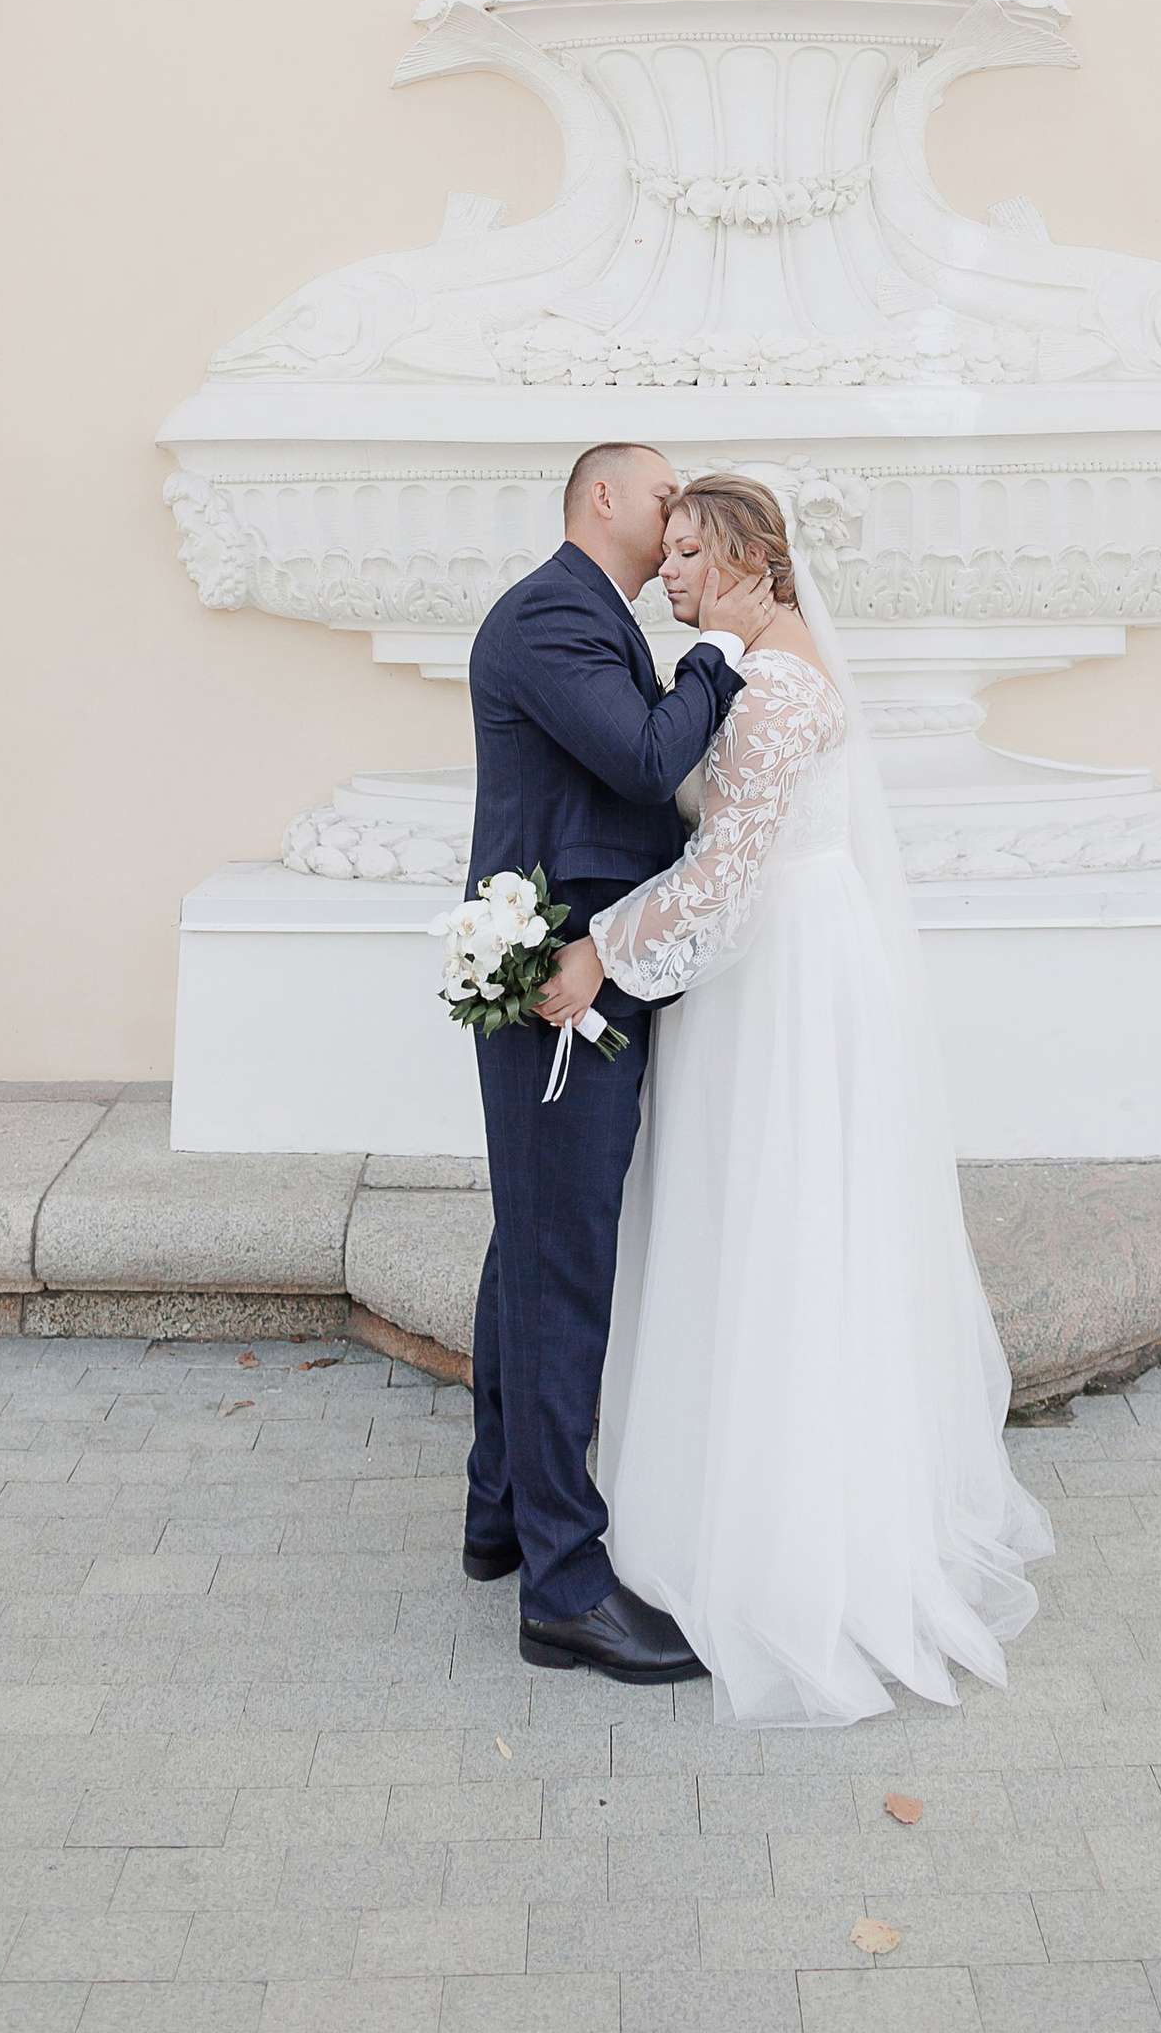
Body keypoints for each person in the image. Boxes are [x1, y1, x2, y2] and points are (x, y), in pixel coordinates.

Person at [531, 471, 1051, 1726]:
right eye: (667, 554)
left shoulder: (774, 688)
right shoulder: (756, 665)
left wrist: (599, 949)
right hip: (766, 968)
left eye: (693, 552)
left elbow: (726, 871)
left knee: (783, 1232)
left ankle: (788, 1543)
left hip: (783, 982)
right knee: (758, 1226)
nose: (671, 573)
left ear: (756, 556)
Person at [460, 441, 741, 1682]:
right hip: (563, 987)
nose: (678, 510)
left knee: (533, 1240)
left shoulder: (582, 617)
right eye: (664, 491)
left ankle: (498, 1517)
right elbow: (640, 760)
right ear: (604, 499)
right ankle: (565, 1591)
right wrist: (722, 661)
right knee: (561, 1261)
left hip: (587, 967)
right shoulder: (549, 617)